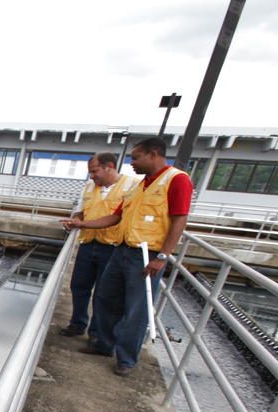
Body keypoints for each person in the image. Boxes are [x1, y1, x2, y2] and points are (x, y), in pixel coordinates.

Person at [61, 137, 192, 376]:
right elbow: (115, 217)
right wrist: (82, 224)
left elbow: (179, 219)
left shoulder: (177, 179)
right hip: (121, 249)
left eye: (136, 157)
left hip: (146, 253)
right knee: (105, 297)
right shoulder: (140, 186)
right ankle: (103, 344)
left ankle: (126, 359)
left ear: (154, 154)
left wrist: (162, 256)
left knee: (136, 307)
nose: (132, 163)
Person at [59, 153, 138, 339]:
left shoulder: (132, 186)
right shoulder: (89, 187)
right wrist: (75, 220)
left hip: (112, 247)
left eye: (95, 171)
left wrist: (82, 224)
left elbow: (122, 218)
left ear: (109, 166)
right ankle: (77, 324)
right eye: (90, 172)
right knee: (79, 285)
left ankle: (97, 333)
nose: (92, 176)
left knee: (105, 293)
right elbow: (80, 211)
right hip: (88, 243)